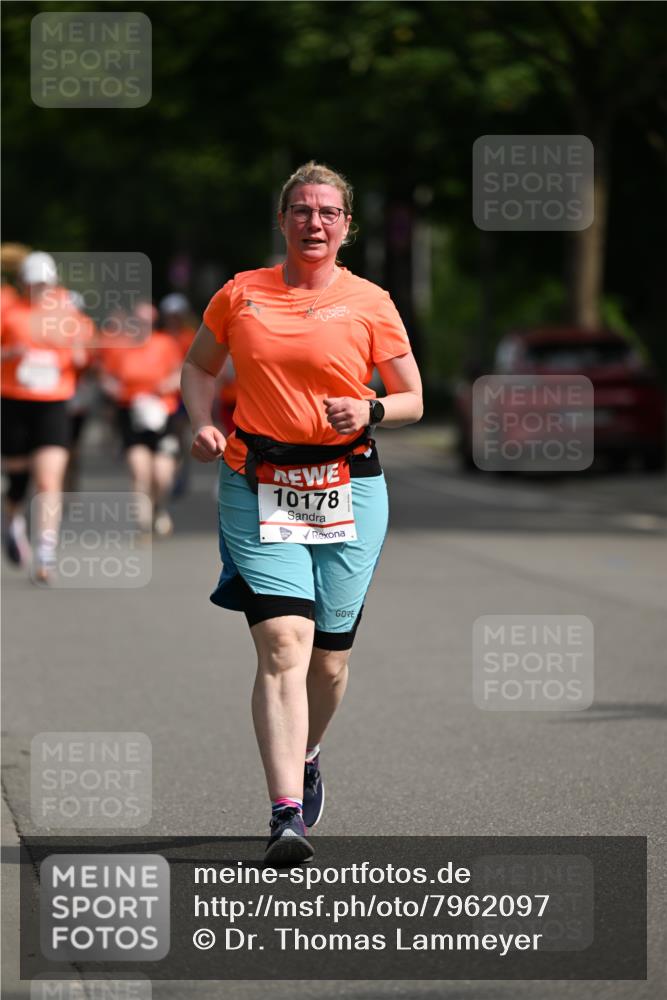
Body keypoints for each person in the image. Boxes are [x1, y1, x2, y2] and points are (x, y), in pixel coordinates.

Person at [181, 161, 423, 866]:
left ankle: (308, 752)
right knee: (284, 643)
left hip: (348, 486)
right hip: (256, 480)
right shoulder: (240, 294)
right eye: (300, 211)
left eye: (327, 213)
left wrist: (372, 407)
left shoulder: (371, 301)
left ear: (346, 226)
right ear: (282, 220)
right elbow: (198, 367)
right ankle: (285, 812)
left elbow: (410, 398)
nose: (313, 223)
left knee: (330, 661)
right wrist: (201, 423)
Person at [1, 251, 93, 582]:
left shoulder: (67, 313)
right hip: (14, 400)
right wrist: (9, 353)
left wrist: (79, 353)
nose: (39, 289)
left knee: (48, 480)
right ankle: (12, 519)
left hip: (54, 402)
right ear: (23, 283)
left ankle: (45, 553)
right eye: (33, 283)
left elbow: (85, 351)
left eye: (44, 283)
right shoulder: (8, 312)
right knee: (18, 481)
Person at [98, 302, 183, 536]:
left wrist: (166, 384)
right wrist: (114, 390)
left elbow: (181, 372)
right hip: (132, 413)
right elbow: (107, 377)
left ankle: (159, 507)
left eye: (147, 322)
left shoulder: (165, 344)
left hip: (162, 413)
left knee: (162, 474)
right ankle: (142, 523)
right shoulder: (121, 347)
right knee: (139, 469)